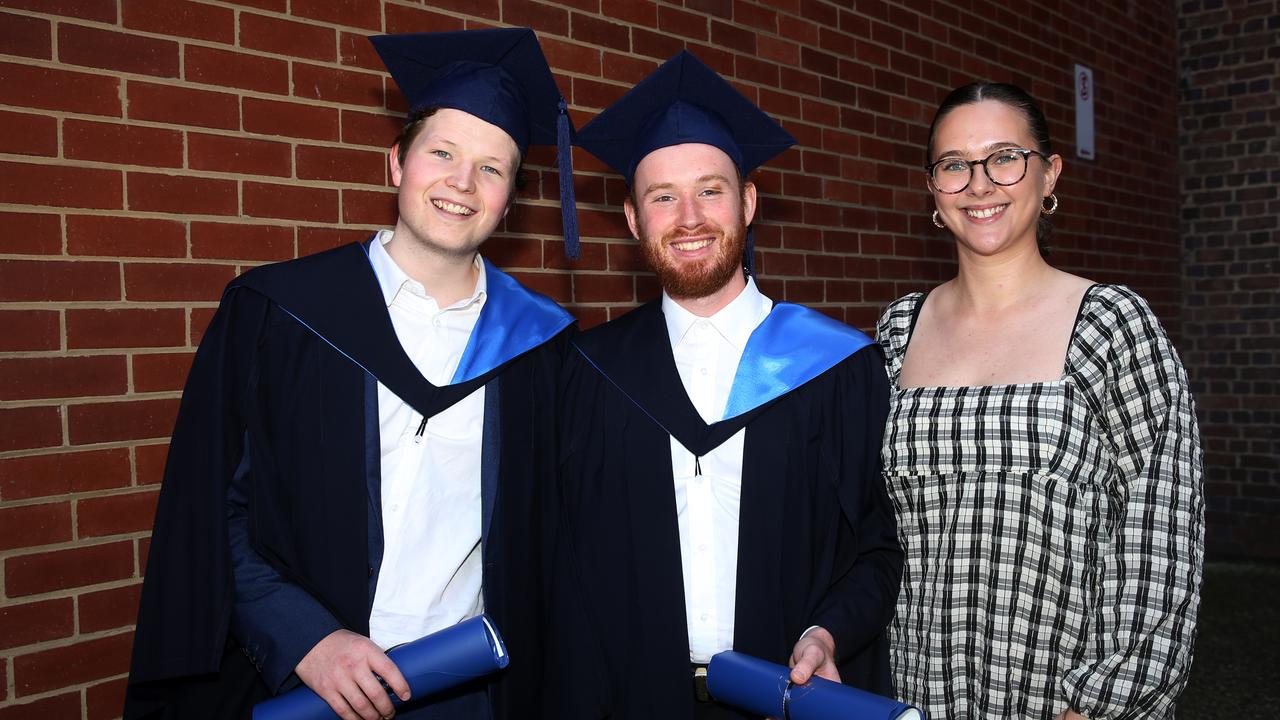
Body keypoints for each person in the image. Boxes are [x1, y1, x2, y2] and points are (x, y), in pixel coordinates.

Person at [124, 28, 578, 720]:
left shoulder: (542, 348)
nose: (463, 182)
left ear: (511, 198)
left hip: (473, 695)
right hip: (306, 688)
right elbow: (211, 510)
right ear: (397, 162)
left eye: (493, 168)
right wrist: (305, 638)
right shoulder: (279, 315)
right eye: (443, 153)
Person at [550, 51, 903, 719]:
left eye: (710, 190)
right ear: (632, 218)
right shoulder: (586, 372)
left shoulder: (836, 366)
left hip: (786, 700)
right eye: (663, 196)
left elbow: (875, 551)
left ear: (747, 201)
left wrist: (829, 633)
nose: (688, 217)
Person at [877, 82, 1204, 719]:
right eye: (954, 165)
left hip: (1059, 697)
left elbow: (1158, 534)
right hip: (913, 693)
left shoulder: (1112, 327)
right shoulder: (896, 332)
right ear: (933, 190)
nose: (979, 184)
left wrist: (1104, 703)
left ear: (1049, 175)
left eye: (1004, 157)